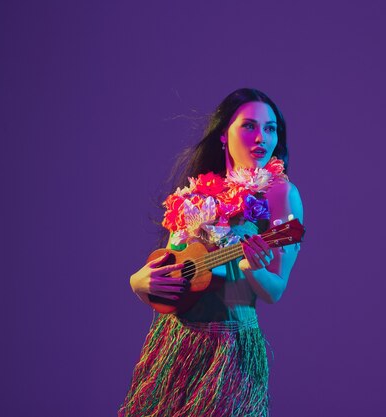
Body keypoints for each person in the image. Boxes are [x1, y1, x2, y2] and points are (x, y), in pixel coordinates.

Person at [118, 88, 304, 417]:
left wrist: (251, 266)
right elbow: (173, 268)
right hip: (175, 344)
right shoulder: (199, 192)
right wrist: (138, 281)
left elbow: (275, 290)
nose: (262, 136)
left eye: (271, 128)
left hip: (229, 353)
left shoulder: (281, 193)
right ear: (223, 135)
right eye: (249, 126)